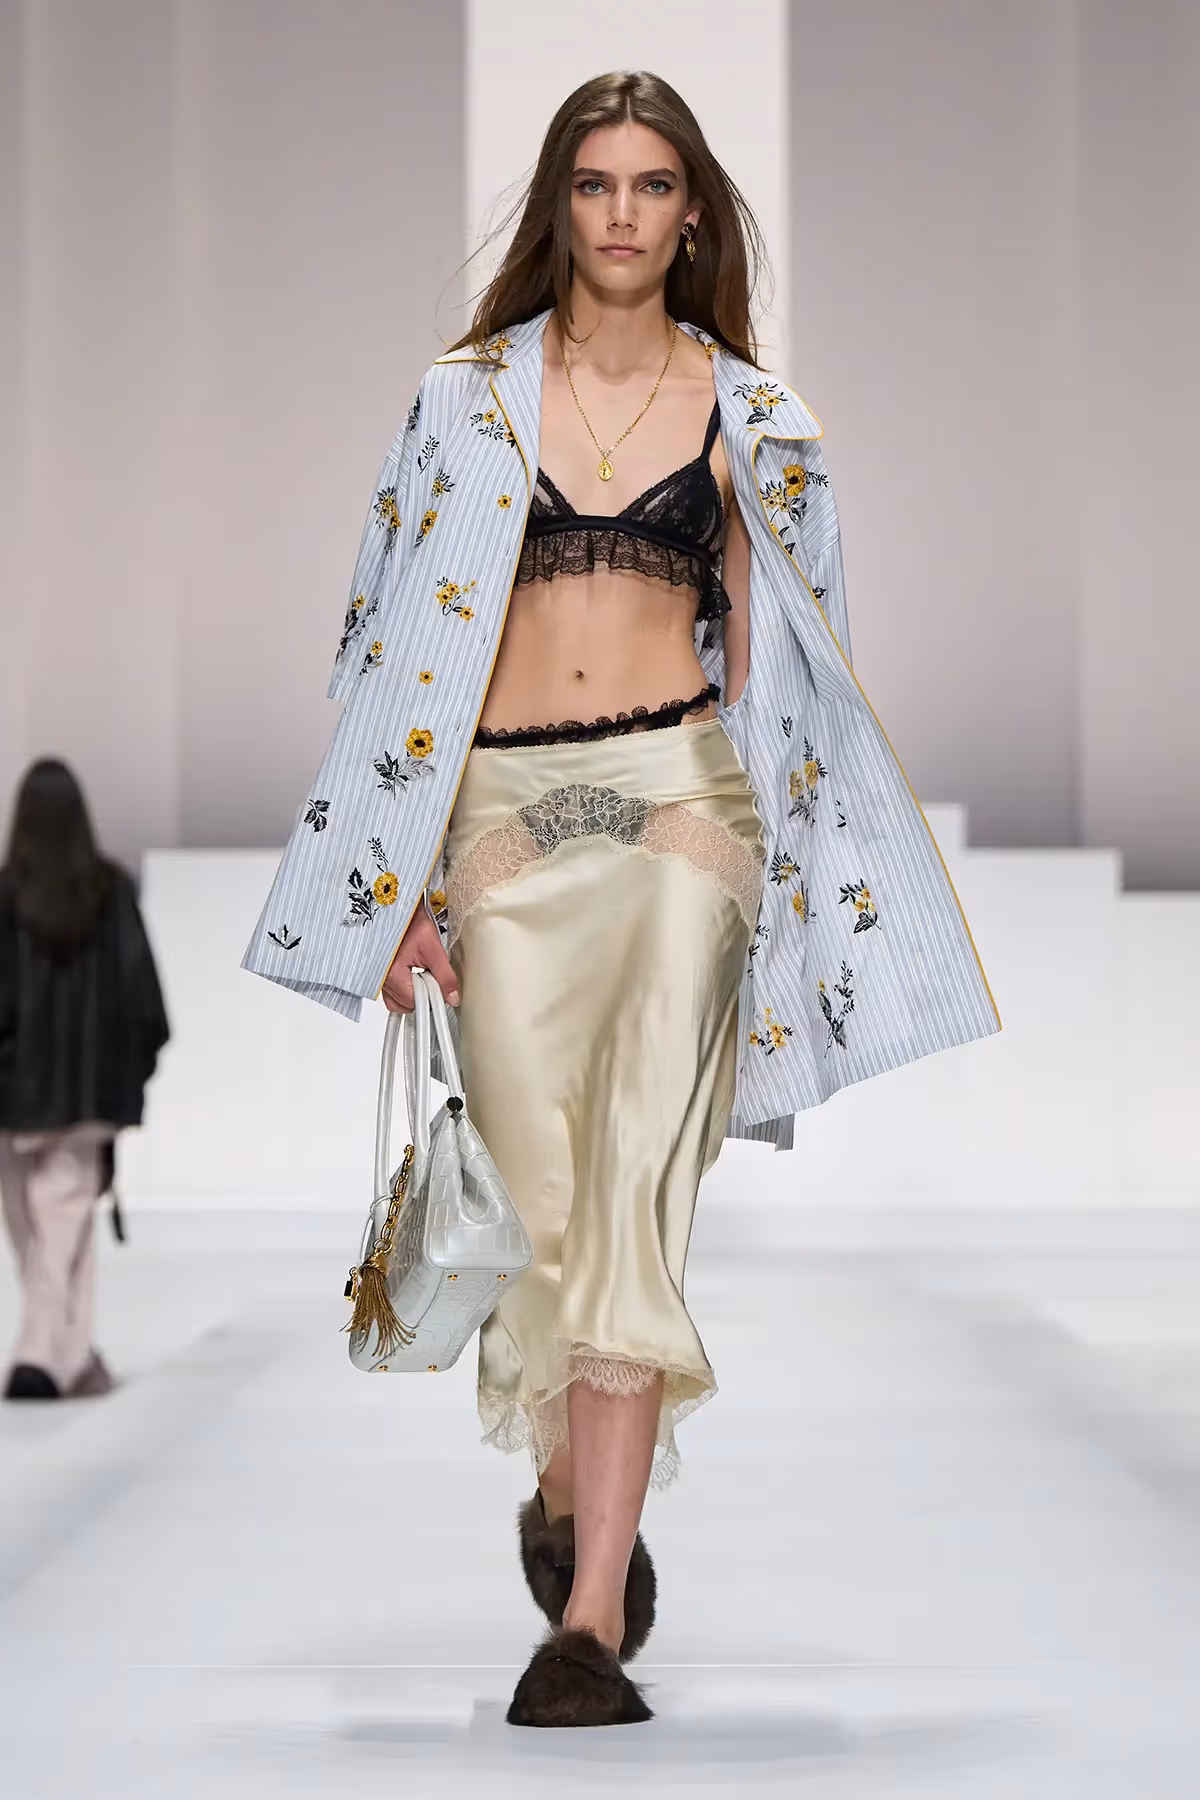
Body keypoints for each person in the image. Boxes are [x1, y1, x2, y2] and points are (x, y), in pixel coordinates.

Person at [242, 70, 1001, 1726]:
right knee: (536, 1199)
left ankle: (587, 1623)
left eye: (653, 186)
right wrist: (389, 886)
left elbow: (797, 668)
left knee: (638, 1179)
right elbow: (379, 637)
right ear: (559, 205)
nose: (621, 215)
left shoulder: (760, 421)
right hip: (504, 814)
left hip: (679, 807)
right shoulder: (460, 406)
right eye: (594, 184)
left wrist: (802, 891)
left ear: (693, 211)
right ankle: (572, 1485)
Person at [0, 759, 169, 1402]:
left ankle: (43, 1354)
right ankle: (65, 1356)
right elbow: (142, 1002)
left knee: (38, 1228)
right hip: (85, 1100)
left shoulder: (5, 898)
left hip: (14, 1100)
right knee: (60, 1225)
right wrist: (125, 1080)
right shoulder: (109, 895)